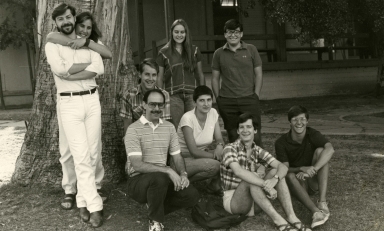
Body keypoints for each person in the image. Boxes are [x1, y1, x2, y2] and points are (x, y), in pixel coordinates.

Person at [45, 3, 104, 227]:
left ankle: (82, 199)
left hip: (91, 99)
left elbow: (100, 67)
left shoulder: (88, 40)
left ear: (74, 17)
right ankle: (95, 205)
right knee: (79, 155)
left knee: (92, 152)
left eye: (69, 17)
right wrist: (86, 64)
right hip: (68, 101)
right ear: (56, 23)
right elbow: (59, 70)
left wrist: (74, 66)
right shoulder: (52, 44)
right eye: (61, 20)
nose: (66, 22)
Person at [220, 113, 312, 231]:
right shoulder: (230, 148)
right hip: (235, 203)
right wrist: (266, 185)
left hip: (256, 201)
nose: (245, 130)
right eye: (241, 127)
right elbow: (238, 172)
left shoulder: (257, 150)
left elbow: (282, 167)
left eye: (249, 127)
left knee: (275, 171)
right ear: (237, 131)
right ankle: (279, 221)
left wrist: (275, 179)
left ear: (255, 130)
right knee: (251, 178)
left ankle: (292, 217)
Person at [125, 89, 199, 231]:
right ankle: (155, 222)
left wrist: (183, 174)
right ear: (144, 105)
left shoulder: (169, 127)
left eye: (160, 105)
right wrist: (168, 170)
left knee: (192, 195)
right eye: (152, 104)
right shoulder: (133, 129)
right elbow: (137, 165)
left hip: (161, 180)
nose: (157, 109)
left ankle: (155, 205)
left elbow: (177, 156)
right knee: (160, 177)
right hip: (137, 182)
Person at [275, 106, 334, 229]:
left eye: (302, 119)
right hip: (296, 182)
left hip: (312, 179)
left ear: (307, 121)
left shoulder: (312, 133)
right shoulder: (281, 142)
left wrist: (313, 169)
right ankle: (316, 212)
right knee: (289, 175)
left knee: (321, 151)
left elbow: (330, 149)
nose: (299, 122)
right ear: (289, 122)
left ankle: (322, 202)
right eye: (295, 119)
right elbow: (284, 169)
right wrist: (301, 169)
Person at [211, 19, 263, 146]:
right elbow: (215, 78)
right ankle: (237, 163)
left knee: (254, 135)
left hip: (249, 99)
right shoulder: (218, 53)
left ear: (241, 34)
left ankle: (257, 163)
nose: (232, 35)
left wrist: (255, 95)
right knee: (233, 136)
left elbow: (259, 74)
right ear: (224, 34)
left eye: (236, 32)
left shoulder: (251, 50)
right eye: (229, 32)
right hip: (227, 101)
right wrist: (218, 99)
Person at [157, 19, 205, 128]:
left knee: (193, 126)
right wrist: (160, 95)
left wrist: (202, 93)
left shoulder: (194, 50)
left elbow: (200, 74)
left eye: (182, 32)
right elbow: (160, 77)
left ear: (186, 33)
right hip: (173, 95)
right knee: (177, 128)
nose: (179, 35)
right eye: (176, 32)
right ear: (171, 33)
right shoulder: (163, 52)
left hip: (192, 95)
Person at [176, 85, 224, 195]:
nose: (206, 104)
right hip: (183, 160)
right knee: (216, 165)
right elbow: (193, 151)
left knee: (230, 153)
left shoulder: (213, 113)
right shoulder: (188, 118)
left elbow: (219, 138)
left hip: (202, 155)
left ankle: (214, 186)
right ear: (195, 102)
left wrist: (220, 146)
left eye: (209, 100)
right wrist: (216, 157)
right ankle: (181, 183)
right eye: (201, 100)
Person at [120, 58, 171, 134]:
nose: (150, 79)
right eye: (147, 74)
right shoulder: (129, 95)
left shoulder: (164, 95)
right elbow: (128, 129)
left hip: (158, 138)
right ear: (140, 74)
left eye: (154, 75)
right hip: (138, 138)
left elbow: (164, 127)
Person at [46, 11, 112, 59]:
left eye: (89, 28)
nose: (85, 31)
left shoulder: (92, 41)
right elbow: (50, 37)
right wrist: (78, 43)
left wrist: (86, 42)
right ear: (75, 24)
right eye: (82, 26)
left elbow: (109, 54)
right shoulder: (64, 36)